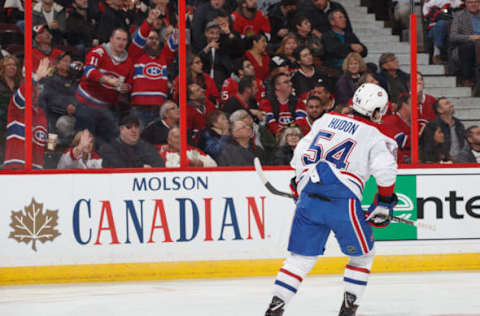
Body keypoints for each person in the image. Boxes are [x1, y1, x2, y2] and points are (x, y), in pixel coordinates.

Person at [265, 83, 398, 316]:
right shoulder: (376, 136)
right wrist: (385, 203)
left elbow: (301, 154)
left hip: (309, 197)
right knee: (362, 256)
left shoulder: (325, 120)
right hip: (342, 200)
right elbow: (385, 171)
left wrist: (299, 184)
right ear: (377, 111)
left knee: (299, 260)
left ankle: (275, 308)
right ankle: (348, 311)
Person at [75, 27, 134, 144]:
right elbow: (89, 70)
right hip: (86, 104)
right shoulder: (99, 52)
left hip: (106, 108)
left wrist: (125, 87)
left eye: (124, 40)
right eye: (118, 39)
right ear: (111, 39)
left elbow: (130, 83)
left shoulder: (129, 62)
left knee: (110, 143)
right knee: (85, 142)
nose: (121, 42)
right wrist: (106, 79)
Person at [130, 10, 178, 127]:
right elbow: (139, 38)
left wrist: (178, 25)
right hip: (139, 109)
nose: (154, 41)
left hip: (159, 110)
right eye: (150, 38)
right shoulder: (135, 55)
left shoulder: (164, 57)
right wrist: (149, 21)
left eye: (156, 39)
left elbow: (175, 40)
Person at [3, 58, 50, 169]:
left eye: (38, 89)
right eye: (33, 89)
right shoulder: (16, 106)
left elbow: (40, 140)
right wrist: (35, 78)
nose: (36, 92)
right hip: (16, 164)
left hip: (36, 168)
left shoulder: (41, 113)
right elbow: (22, 95)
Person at [38, 52, 80, 143]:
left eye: (70, 61)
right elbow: (49, 96)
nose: (68, 63)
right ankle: (50, 149)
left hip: (74, 112)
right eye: (65, 61)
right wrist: (66, 106)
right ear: (57, 64)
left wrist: (74, 105)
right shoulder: (49, 78)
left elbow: (79, 95)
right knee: (56, 122)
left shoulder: (75, 79)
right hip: (53, 111)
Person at [99, 114, 165, 168]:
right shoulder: (109, 148)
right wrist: (141, 167)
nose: (134, 130)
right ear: (121, 129)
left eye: (136, 127)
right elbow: (119, 167)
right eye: (129, 127)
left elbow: (160, 165)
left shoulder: (146, 147)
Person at [260, 72, 303, 137]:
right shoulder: (266, 102)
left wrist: (289, 132)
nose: (290, 84)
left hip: (295, 137)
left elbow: (300, 123)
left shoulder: (298, 101)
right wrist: (285, 133)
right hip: (275, 140)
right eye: (286, 82)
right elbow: (271, 125)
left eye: (290, 82)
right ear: (277, 86)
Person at [449, 0, 480, 87]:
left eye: (476, 2)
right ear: (465, 4)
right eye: (470, 2)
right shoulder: (459, 16)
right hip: (468, 45)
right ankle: (467, 78)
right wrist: (471, 37)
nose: (473, 4)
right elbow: (453, 36)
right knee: (468, 47)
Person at [427, 97, 466, 161]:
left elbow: (464, 145)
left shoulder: (459, 124)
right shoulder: (432, 126)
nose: (452, 105)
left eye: (450, 103)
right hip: (442, 163)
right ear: (439, 110)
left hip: (461, 162)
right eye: (447, 103)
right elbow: (427, 149)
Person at [382, 94, 411, 164]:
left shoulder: (414, 122)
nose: (417, 108)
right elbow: (399, 140)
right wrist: (421, 136)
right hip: (399, 163)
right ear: (404, 105)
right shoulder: (391, 120)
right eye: (413, 104)